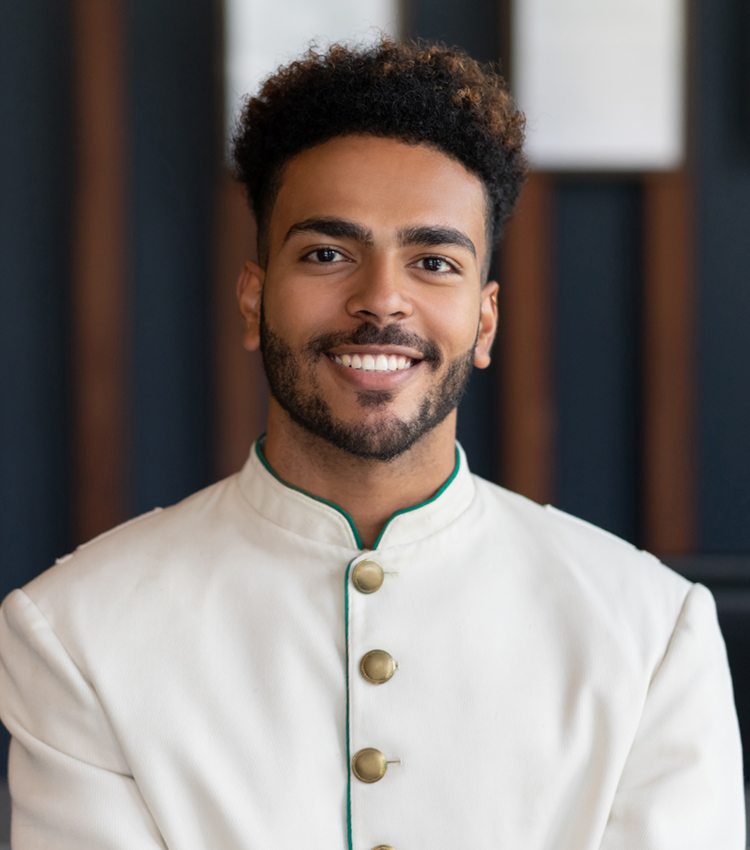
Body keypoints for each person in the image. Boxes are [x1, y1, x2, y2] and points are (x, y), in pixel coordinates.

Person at [0, 37, 744, 850]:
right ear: (254, 301)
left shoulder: (651, 633)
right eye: (328, 254)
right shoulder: (74, 630)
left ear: (485, 320)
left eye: (432, 261)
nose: (381, 300)